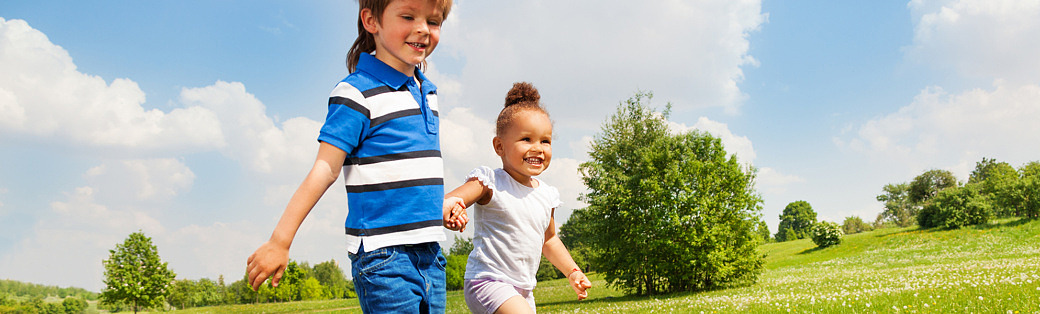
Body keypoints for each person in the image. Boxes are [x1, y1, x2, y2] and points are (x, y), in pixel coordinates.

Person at [246, 0, 463, 312]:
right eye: (407, 16)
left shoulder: (426, 91)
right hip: (383, 258)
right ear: (371, 21)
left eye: (433, 21)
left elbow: (406, 171)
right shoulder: (356, 93)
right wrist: (280, 241)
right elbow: (325, 169)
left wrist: (436, 207)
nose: (422, 29)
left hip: (430, 252)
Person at [443, 82, 592, 313]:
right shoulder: (490, 182)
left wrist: (573, 271)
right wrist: (454, 208)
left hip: (523, 290)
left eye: (545, 141)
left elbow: (550, 239)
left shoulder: (546, 195)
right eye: (526, 139)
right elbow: (455, 198)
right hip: (487, 281)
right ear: (499, 146)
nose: (538, 148)